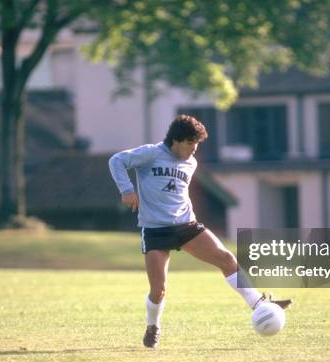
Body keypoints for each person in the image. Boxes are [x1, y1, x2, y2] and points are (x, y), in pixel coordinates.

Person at [108, 114, 292, 348]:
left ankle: (261, 304)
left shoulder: (191, 163)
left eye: (197, 144)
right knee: (158, 290)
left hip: (186, 225)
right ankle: (153, 326)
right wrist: (127, 189)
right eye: (190, 143)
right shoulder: (151, 153)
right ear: (176, 140)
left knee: (226, 259)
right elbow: (116, 160)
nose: (194, 149)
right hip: (156, 231)